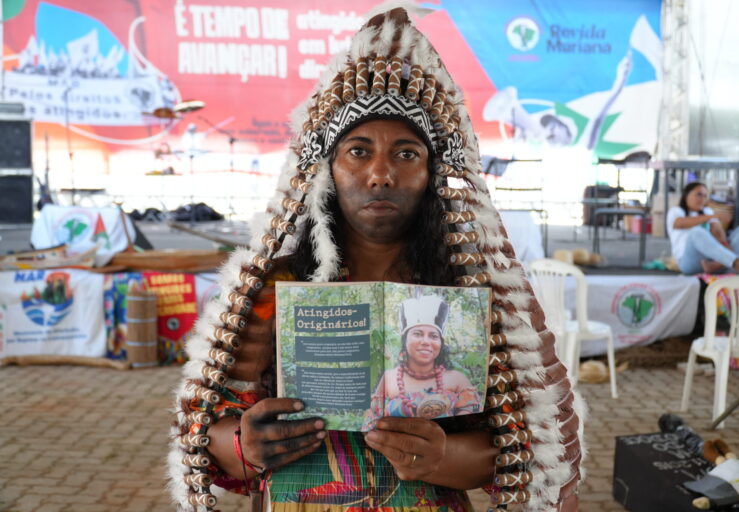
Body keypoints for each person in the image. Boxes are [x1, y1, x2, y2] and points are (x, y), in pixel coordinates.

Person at [169, 7, 583, 512]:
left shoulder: (466, 289)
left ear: (432, 173)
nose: (381, 174)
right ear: (327, 168)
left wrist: (441, 455)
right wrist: (246, 445)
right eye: (359, 151)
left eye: (406, 153)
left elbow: (517, 450)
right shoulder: (276, 284)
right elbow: (206, 433)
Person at [362, 295, 481, 430]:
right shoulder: (389, 377)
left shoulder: (457, 379)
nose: (426, 341)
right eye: (418, 334)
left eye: (433, 336)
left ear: (441, 343)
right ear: (405, 340)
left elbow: (470, 420)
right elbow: (372, 420)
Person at [667, 182, 739, 274]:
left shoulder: (707, 211)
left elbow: (718, 233)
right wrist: (712, 217)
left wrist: (727, 247)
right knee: (697, 232)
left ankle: (719, 264)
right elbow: (680, 223)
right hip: (690, 262)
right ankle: (735, 262)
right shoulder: (676, 211)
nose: (702, 199)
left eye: (705, 196)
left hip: (714, 258)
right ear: (686, 195)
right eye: (698, 195)